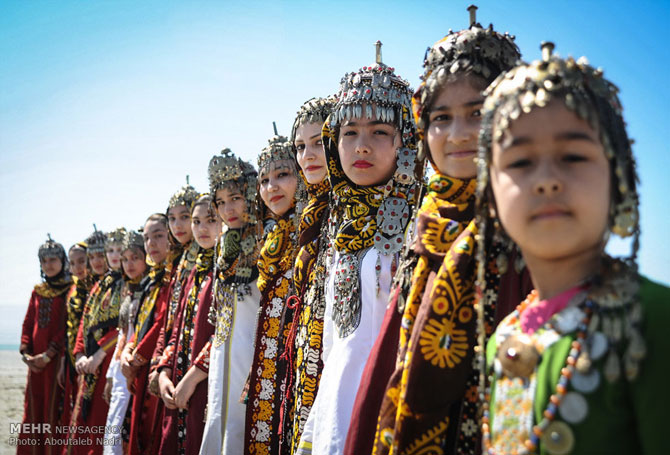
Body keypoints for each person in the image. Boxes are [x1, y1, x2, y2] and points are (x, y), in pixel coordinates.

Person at [477, 42, 669, 454]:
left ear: (618, 179)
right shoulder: (504, 337)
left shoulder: (654, 317)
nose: (546, 180)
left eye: (573, 156)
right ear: (490, 196)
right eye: (520, 163)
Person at [357, 8, 529, 455]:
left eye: (478, 113)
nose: (458, 134)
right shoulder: (427, 224)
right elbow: (392, 359)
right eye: (441, 118)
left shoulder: (531, 224)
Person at [297, 41, 421, 455]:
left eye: (379, 132)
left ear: (405, 140)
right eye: (349, 133)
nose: (362, 146)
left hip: (394, 411)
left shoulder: (423, 222)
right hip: (337, 411)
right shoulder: (336, 228)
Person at [199, 149, 263, 455]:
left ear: (250, 192)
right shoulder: (223, 244)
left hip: (252, 354)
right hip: (223, 355)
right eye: (221, 202)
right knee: (219, 420)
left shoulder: (269, 238)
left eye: (235, 197)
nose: (228, 209)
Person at [244, 132, 303, 455]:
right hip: (269, 368)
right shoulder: (272, 238)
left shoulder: (312, 230)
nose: (271, 188)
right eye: (264, 180)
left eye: (282, 175)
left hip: (299, 370)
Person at [282, 97, 334, 453]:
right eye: (300, 147)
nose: (307, 156)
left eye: (318, 142)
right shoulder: (314, 212)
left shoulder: (353, 210)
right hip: (305, 359)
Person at [157, 194, 219, 455]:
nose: (201, 228)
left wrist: (193, 376)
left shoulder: (227, 267)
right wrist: (162, 372)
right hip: (179, 381)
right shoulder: (194, 271)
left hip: (207, 382)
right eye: (196, 221)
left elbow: (226, 331)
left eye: (210, 220)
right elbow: (177, 328)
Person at [68, 228, 126, 455]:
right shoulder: (99, 286)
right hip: (90, 367)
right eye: (95, 256)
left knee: (104, 424)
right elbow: (84, 323)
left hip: (110, 364)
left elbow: (123, 327)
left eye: (110, 252)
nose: (102, 260)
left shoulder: (125, 283)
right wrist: (80, 354)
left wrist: (99, 355)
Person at [122, 214, 172, 455]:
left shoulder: (172, 276)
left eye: (158, 236)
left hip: (156, 363)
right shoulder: (151, 280)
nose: (151, 244)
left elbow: (162, 322)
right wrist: (128, 352)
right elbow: (141, 323)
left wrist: (136, 358)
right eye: (147, 238)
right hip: (139, 365)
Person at [18, 235, 71, 453]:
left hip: (56, 362)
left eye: (53, 260)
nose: (49, 265)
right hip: (36, 364)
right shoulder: (37, 291)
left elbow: (66, 326)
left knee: (53, 409)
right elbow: (29, 321)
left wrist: (49, 354)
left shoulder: (70, 289)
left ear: (62, 261)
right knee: (34, 408)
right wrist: (26, 353)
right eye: (44, 261)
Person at [102, 230, 148, 454]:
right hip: (122, 368)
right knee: (114, 428)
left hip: (136, 366)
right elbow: (123, 334)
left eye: (135, 257)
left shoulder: (151, 288)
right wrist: (111, 375)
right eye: (125, 259)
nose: (129, 264)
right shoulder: (128, 290)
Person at [59, 236, 101, 433]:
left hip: (92, 357)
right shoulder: (73, 291)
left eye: (82, 261)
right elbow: (69, 328)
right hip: (72, 357)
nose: (78, 267)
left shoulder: (99, 287)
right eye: (73, 263)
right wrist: (63, 362)